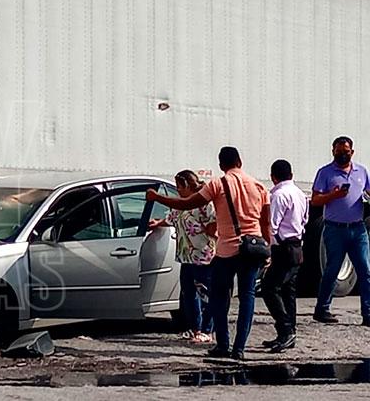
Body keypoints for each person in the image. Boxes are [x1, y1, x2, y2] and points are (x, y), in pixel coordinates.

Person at [147, 147, 271, 361]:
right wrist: (268, 248)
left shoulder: (218, 184)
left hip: (227, 250)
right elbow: (265, 221)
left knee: (219, 297)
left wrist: (157, 197)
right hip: (254, 247)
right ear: (240, 161)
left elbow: (187, 203)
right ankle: (239, 348)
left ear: (221, 165)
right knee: (247, 296)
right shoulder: (259, 186)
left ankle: (223, 344)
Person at [150, 170, 217, 344]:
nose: (178, 190)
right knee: (188, 294)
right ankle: (195, 327)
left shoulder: (204, 203)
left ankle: (207, 329)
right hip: (186, 256)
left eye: (180, 186)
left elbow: (213, 224)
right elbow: (172, 218)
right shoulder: (181, 204)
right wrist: (158, 223)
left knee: (206, 294)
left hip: (203, 255)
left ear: (187, 185)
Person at [311, 136, 370, 327]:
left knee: (365, 271)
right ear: (333, 151)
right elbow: (315, 200)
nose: (342, 154)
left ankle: (367, 313)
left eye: (345, 151)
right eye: (338, 151)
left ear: (352, 152)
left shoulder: (361, 171)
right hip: (335, 229)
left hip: (358, 228)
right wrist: (333, 195)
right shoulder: (326, 173)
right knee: (332, 270)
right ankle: (322, 309)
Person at [261, 160, 308, 353]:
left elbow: (272, 225)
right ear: (291, 174)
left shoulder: (278, 195)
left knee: (269, 288)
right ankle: (289, 333)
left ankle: (285, 329)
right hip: (296, 244)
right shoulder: (300, 193)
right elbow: (304, 219)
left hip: (283, 247)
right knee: (288, 290)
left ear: (273, 177)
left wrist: (270, 247)